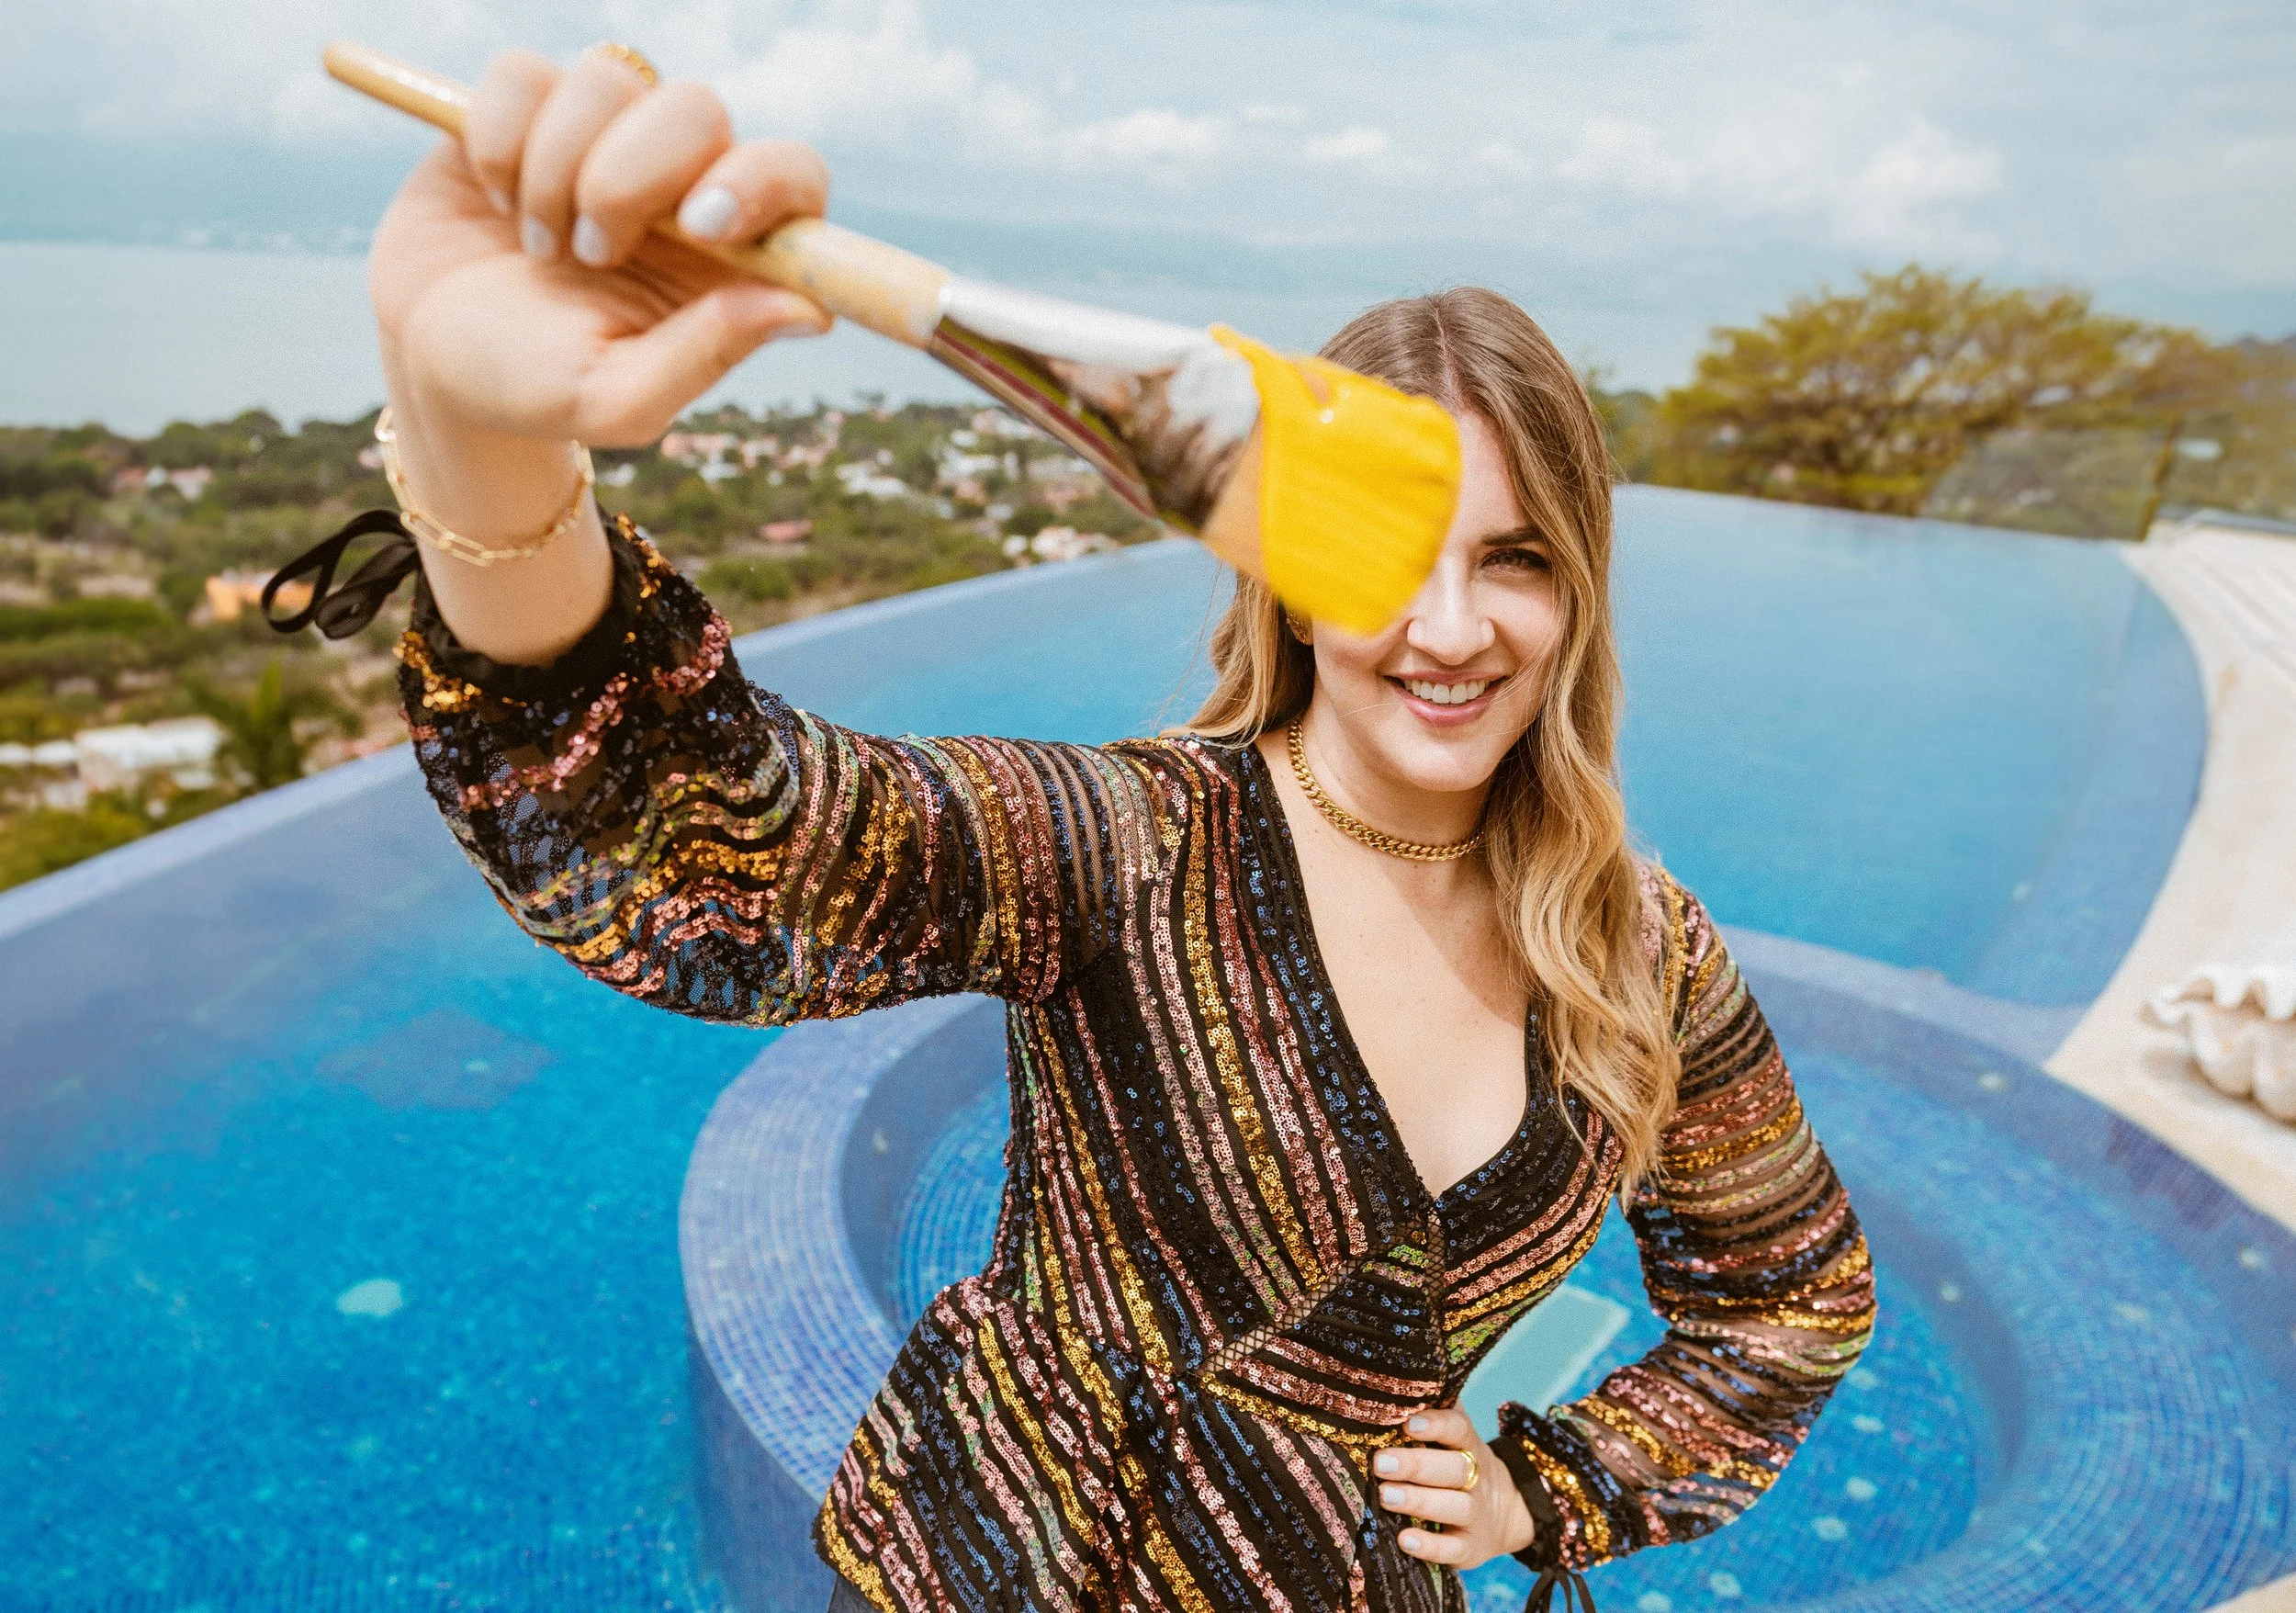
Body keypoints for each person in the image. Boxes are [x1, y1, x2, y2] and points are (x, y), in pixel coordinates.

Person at [326, 43, 1876, 1613]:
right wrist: (475, 435)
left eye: (1517, 560)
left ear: (1578, 592)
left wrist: (1543, 1492)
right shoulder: (1132, 845)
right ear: (1293, 577)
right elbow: (710, 849)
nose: (1453, 628)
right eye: (1395, 555)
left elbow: (1792, 1299)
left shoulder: (1643, 953)